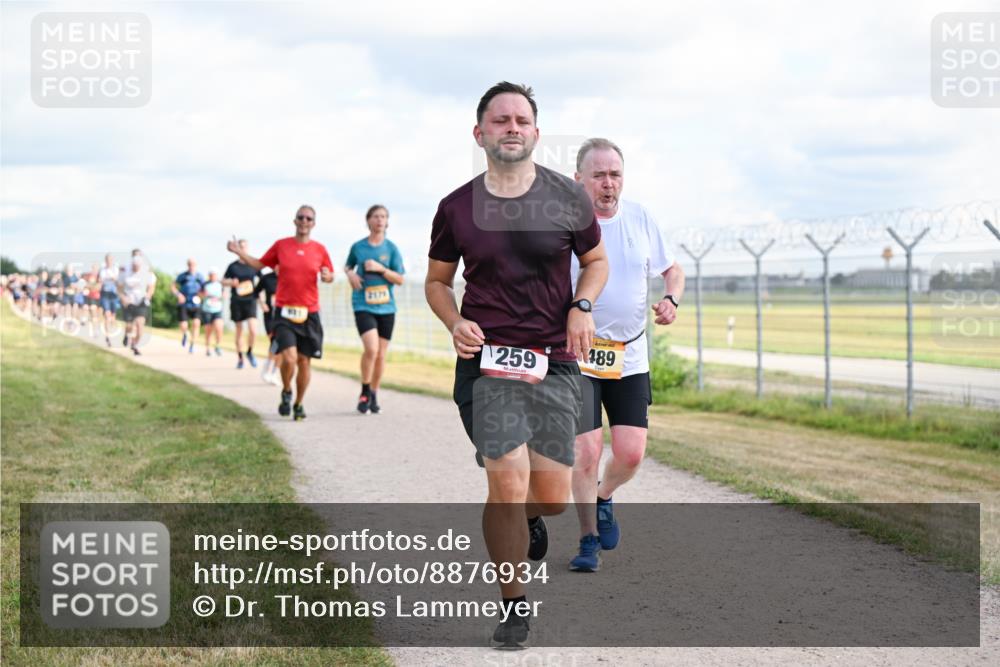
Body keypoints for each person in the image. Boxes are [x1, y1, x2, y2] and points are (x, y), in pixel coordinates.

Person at [425, 81, 608, 649]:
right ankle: (514, 605)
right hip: (487, 365)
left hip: (554, 361)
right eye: (500, 120)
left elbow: (596, 261)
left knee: (549, 497)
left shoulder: (568, 197)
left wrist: (581, 306)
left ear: (535, 132)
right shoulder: (456, 207)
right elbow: (437, 282)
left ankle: (530, 517)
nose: (511, 128)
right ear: (479, 133)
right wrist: (454, 321)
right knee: (505, 480)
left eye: (521, 120)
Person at [566, 138, 686, 572]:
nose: (608, 183)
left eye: (615, 174)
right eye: (598, 175)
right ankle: (588, 540)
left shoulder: (640, 218)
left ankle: (603, 497)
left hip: (629, 355)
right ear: (579, 180)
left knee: (631, 452)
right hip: (578, 354)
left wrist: (671, 299)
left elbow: (673, 269)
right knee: (586, 450)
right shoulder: (566, 225)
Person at [225, 205, 334, 421]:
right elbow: (259, 264)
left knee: (304, 361)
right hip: (284, 312)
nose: (304, 221)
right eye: (301, 217)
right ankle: (286, 389)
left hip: (309, 312)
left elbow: (330, 275)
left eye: (309, 218)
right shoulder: (282, 245)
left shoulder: (319, 249)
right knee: (290, 358)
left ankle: (298, 403)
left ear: (313, 224)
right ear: (295, 221)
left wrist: (327, 276)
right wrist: (239, 252)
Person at [345, 204, 406, 414]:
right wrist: (350, 274)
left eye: (383, 216)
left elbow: (400, 279)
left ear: (387, 222)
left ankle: (373, 393)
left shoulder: (391, 249)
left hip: (387, 308)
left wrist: (381, 269)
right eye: (376, 216)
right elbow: (348, 265)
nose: (380, 220)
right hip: (363, 304)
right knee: (371, 349)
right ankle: (364, 391)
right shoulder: (358, 247)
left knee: (380, 354)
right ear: (368, 220)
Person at [224, 240, 260, 369]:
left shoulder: (253, 264)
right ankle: (240, 358)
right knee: (239, 330)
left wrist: (262, 300)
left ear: (247, 248)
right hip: (237, 301)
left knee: (253, 330)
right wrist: (230, 282)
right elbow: (223, 280)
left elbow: (261, 280)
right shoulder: (232, 266)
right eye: (241, 247)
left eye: (245, 247)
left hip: (250, 300)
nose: (243, 249)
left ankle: (249, 351)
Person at [118, 254, 156, 355]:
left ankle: (134, 345)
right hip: (129, 301)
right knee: (129, 325)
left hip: (141, 302)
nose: (135, 268)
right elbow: (119, 287)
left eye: (137, 266)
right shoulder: (125, 272)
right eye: (134, 266)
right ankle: (127, 334)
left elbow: (151, 287)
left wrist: (148, 296)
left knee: (140, 326)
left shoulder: (146, 273)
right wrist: (123, 297)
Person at [254, 266, 281, 385]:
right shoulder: (266, 278)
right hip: (270, 315)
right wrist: (262, 304)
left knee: (281, 344)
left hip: (283, 315)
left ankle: (274, 371)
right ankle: (268, 365)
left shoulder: (288, 277)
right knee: (274, 341)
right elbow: (255, 292)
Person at [173, 259, 205, 353]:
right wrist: (178, 295)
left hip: (196, 303)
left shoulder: (200, 276)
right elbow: (173, 286)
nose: (191, 266)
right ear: (187, 265)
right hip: (184, 302)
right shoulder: (183, 276)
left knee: (196, 323)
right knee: (183, 325)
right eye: (190, 264)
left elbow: (204, 289)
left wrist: (201, 295)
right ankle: (185, 334)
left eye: (193, 264)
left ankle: (192, 344)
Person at [98, 255, 121, 347]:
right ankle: (108, 337)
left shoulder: (116, 269)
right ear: (105, 260)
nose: (109, 261)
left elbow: (119, 281)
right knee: (107, 316)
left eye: (110, 260)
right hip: (105, 295)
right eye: (107, 260)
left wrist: (113, 279)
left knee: (113, 316)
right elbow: (100, 282)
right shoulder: (102, 270)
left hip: (114, 295)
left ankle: (112, 332)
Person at [200, 268, 225, 357]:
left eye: (214, 275)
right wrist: (204, 295)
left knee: (219, 328)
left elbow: (224, 295)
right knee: (208, 330)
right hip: (207, 309)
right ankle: (208, 348)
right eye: (211, 275)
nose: (213, 276)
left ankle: (218, 346)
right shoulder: (205, 284)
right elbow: (199, 294)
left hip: (217, 309)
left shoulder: (220, 285)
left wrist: (219, 297)